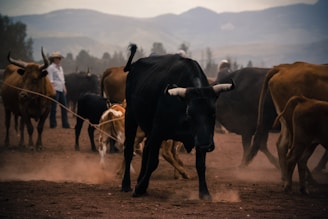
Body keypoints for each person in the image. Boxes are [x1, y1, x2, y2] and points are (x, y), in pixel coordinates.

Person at [47, 51, 70, 128]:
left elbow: (62, 79)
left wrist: (64, 87)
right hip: (55, 89)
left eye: (60, 58)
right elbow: (51, 80)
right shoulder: (50, 68)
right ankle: (53, 124)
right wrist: (52, 89)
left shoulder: (60, 68)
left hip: (61, 89)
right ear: (54, 59)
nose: (59, 60)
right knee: (53, 108)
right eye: (58, 58)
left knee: (64, 107)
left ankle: (65, 124)